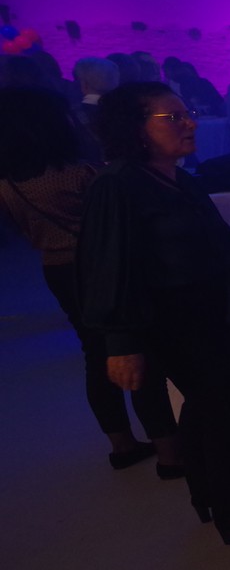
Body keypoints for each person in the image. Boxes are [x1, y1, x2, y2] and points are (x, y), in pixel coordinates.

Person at [79, 82, 230, 541]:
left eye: (188, 114)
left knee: (208, 407)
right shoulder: (117, 185)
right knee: (228, 407)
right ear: (136, 128)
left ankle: (211, 494)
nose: (190, 124)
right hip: (174, 321)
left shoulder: (180, 179)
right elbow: (110, 265)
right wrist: (120, 343)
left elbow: (223, 245)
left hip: (208, 315)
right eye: (173, 117)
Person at [0, 85, 180, 473]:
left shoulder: (8, 184)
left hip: (57, 269)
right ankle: (169, 452)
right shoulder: (79, 173)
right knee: (138, 350)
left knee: (96, 355)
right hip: (102, 265)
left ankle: (121, 445)